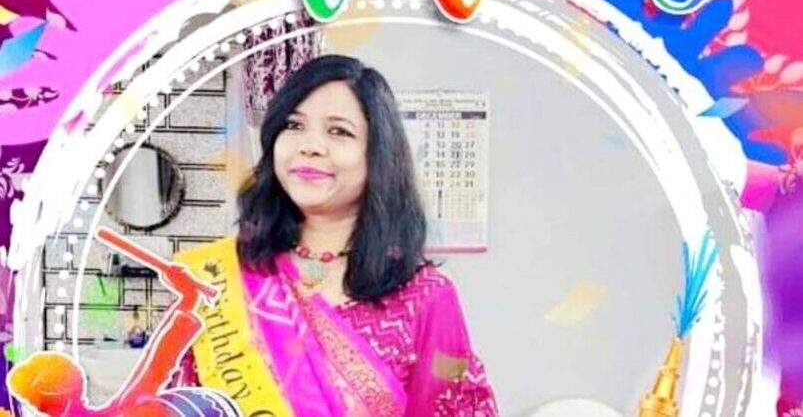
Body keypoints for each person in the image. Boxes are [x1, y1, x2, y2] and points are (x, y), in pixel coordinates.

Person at [172, 54, 499, 416]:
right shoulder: (220, 280)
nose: (310, 145)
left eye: (339, 131)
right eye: (294, 125)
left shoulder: (426, 297)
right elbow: (177, 404)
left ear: (378, 154)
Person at [7, 229, 242, 417]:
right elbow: (159, 362)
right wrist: (188, 299)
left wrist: (187, 300)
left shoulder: (126, 408)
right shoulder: (130, 409)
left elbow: (158, 362)